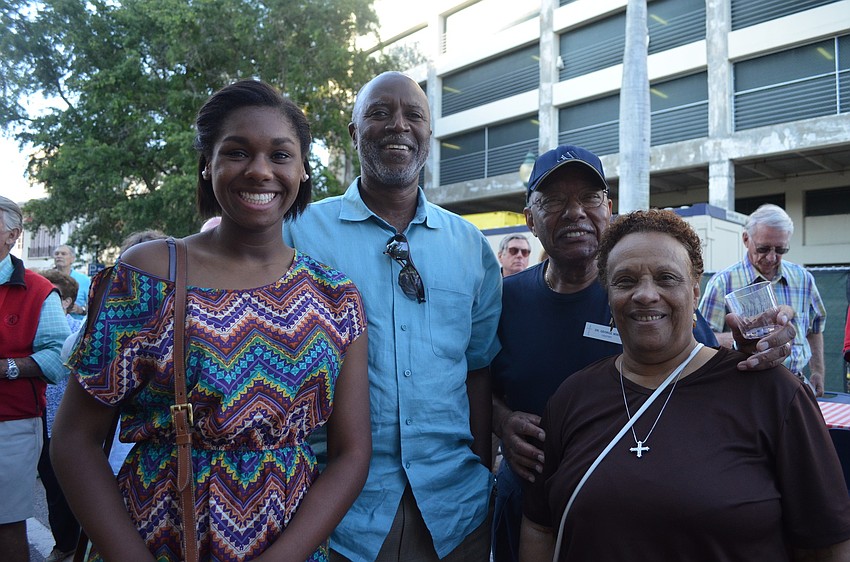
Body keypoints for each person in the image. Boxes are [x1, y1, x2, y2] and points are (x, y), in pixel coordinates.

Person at [51, 79, 371, 561]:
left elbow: (352, 454)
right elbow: (74, 439)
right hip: (153, 539)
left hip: (289, 542)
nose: (260, 170)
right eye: (237, 152)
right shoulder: (148, 273)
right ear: (207, 163)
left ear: (303, 170)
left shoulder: (335, 297)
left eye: (281, 155)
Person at [490, 145, 798, 562]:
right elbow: (475, 382)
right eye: (555, 200)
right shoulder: (504, 299)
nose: (574, 212)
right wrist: (501, 420)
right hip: (531, 501)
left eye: (589, 197)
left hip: (639, 504)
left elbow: (700, 360)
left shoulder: (646, 297)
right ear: (529, 219)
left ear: (608, 209)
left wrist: (753, 352)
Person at [519, 209, 850, 561]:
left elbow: (826, 544)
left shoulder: (773, 393)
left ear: (695, 291)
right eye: (626, 281)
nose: (646, 294)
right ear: (608, 294)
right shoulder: (572, 396)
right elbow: (540, 526)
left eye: (665, 278)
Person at [285, 71, 502, 561]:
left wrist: (483, 470)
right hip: (334, 515)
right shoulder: (297, 235)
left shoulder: (470, 246)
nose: (398, 125)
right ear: (354, 131)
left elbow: (477, 367)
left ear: (429, 132)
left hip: (457, 515)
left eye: (414, 115)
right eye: (379, 113)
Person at [0, 196, 69, 562]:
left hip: (10, 422)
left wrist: (6, 368)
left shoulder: (38, 289)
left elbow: (58, 358)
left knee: (6, 521)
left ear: (13, 235)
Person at [699, 203, 827, 396]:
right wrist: (741, 339)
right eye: (763, 248)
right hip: (745, 388)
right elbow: (702, 339)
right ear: (745, 239)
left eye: (781, 249)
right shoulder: (723, 282)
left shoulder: (803, 278)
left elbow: (815, 329)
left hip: (797, 384)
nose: (771, 257)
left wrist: (818, 371)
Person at [37, 269, 82, 562]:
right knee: (53, 490)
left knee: (73, 488)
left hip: (71, 423)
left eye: (52, 296)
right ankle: (65, 542)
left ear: (66, 302)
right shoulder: (37, 330)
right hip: (42, 418)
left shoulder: (79, 328)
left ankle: (76, 542)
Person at [53, 244, 91, 319]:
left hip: (76, 326)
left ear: (72, 259)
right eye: (56, 254)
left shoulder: (84, 280)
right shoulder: (47, 279)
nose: (59, 256)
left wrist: (80, 310)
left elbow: (94, 307)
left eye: (63, 254)